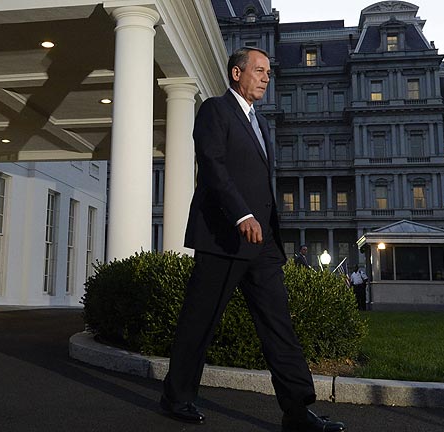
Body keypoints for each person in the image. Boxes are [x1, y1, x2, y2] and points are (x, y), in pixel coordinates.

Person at [160, 47, 345, 432]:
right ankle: (176, 397)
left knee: (279, 325)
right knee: (200, 322)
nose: (265, 77)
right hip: (222, 238)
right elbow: (213, 165)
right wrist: (241, 214)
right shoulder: (214, 110)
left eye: (268, 73)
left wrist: (265, 223)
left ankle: (297, 411)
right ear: (236, 73)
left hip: (262, 245)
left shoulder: (260, 123)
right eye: (259, 70)